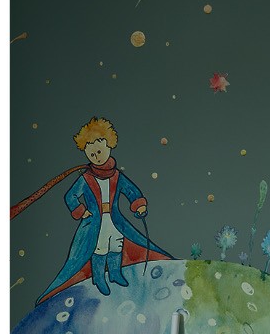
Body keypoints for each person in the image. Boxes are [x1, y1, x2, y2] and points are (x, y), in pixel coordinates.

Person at [33, 117, 171, 304]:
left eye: (99, 151)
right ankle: (99, 278)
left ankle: (115, 273)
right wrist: (81, 211)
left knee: (116, 245)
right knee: (100, 248)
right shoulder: (86, 178)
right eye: (92, 153)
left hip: (115, 219)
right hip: (95, 223)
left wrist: (139, 204)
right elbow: (70, 196)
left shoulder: (116, 176)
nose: (96, 156)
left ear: (109, 146)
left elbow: (131, 191)